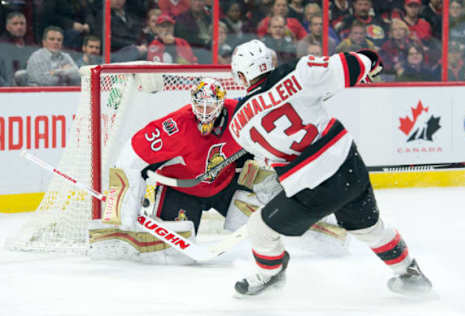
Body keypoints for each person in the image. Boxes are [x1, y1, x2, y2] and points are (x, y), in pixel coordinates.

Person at [229, 39, 432, 296]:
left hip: (311, 191)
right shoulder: (300, 71)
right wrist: (370, 61)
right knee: (369, 228)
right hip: (349, 167)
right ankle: (410, 272)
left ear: (241, 74)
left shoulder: (238, 125)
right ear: (269, 60)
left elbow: (274, 160)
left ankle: (271, 273)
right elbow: (355, 64)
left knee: (259, 226)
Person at [96, 77, 344, 263]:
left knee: (265, 223)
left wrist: (259, 166)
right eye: (199, 105)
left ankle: (314, 226)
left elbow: (276, 146)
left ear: (221, 103)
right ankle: (123, 238)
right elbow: (130, 157)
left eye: (210, 106)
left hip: (224, 186)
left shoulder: (242, 115)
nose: (204, 112)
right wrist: (122, 208)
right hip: (182, 191)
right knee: (174, 253)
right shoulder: (176, 127)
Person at [0, 11, 38, 85]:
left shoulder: (32, 47)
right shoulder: (1, 47)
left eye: (22, 23)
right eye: (15, 24)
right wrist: (8, 89)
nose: (19, 27)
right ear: (8, 27)